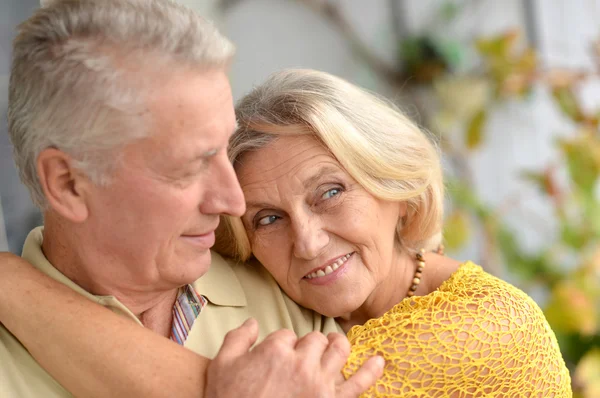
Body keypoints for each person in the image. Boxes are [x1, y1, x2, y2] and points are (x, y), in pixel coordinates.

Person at [1, 68, 572, 396]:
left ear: (396, 190)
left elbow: (211, 392)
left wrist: (10, 280)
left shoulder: (487, 327)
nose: (308, 241)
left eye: (330, 193)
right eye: (268, 218)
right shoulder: (296, 305)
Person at [0, 1, 383, 397]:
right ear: (68, 184)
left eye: (223, 150)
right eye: (190, 165)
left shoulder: (292, 285)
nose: (234, 202)